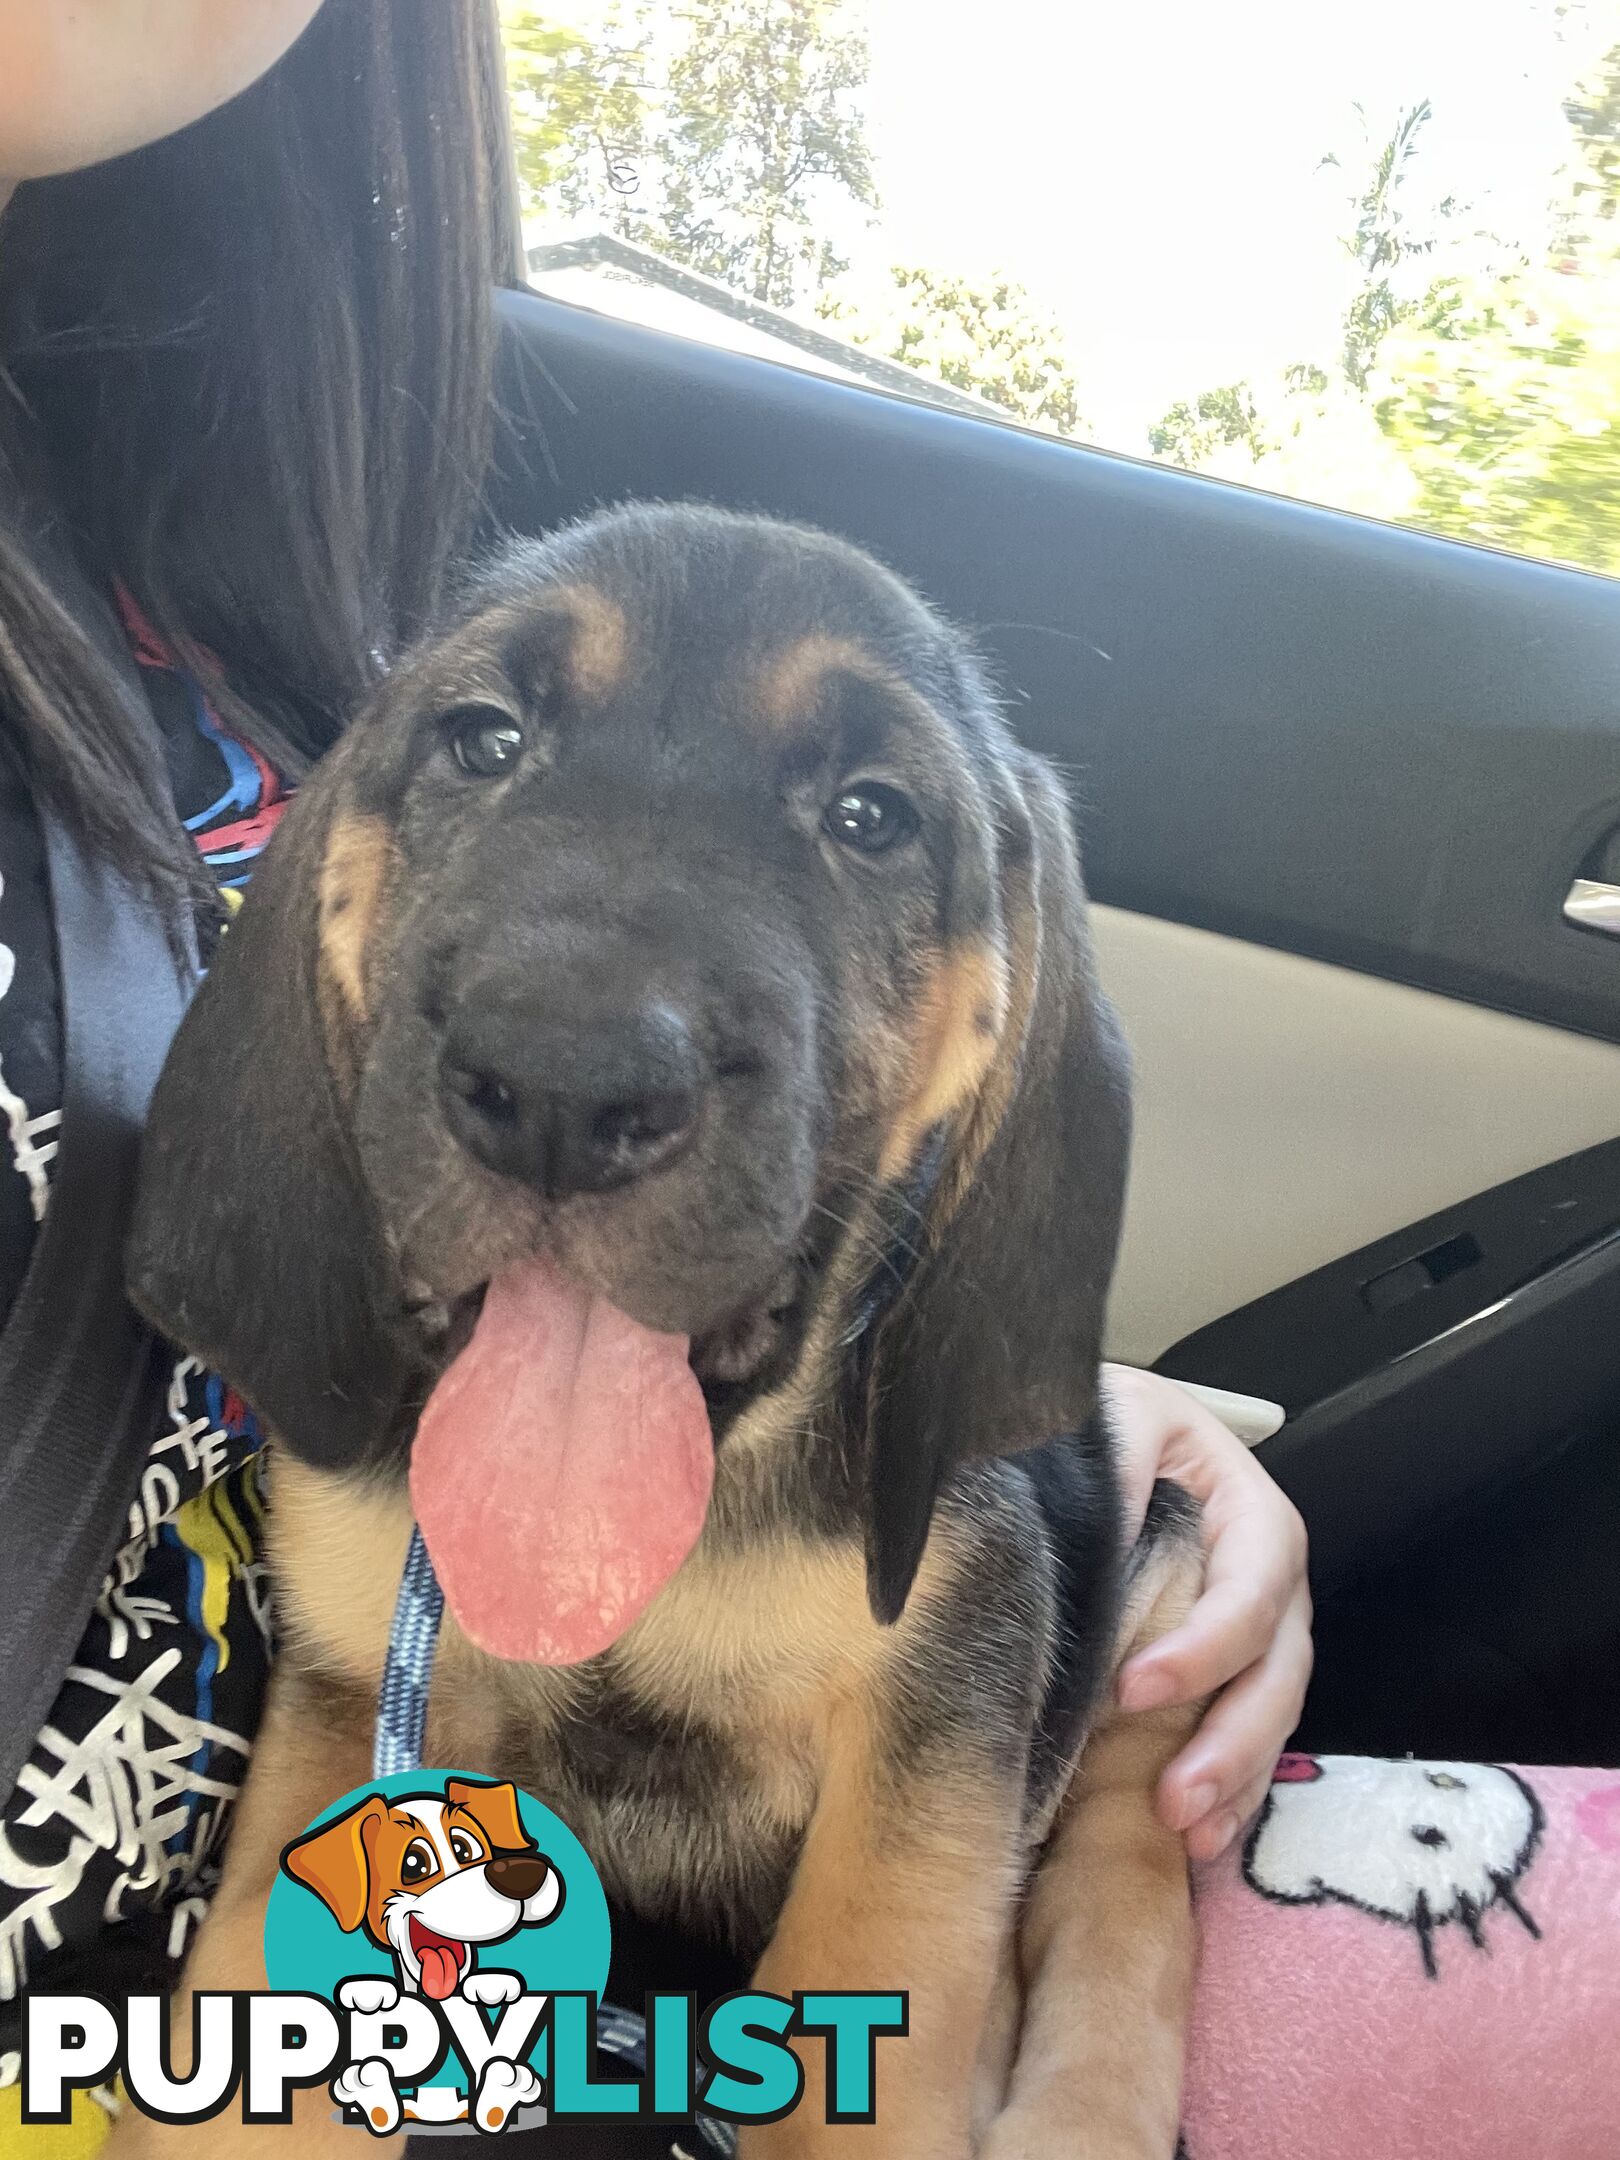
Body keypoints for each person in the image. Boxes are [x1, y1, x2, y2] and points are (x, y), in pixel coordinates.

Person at [0, 4, 1310, 2149]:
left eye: (869, 815)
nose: (589, 1043)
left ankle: (1116, 1902)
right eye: (496, 745)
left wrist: (1033, 1387)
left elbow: (972, 1578)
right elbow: (359, 1689)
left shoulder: (222, 605)